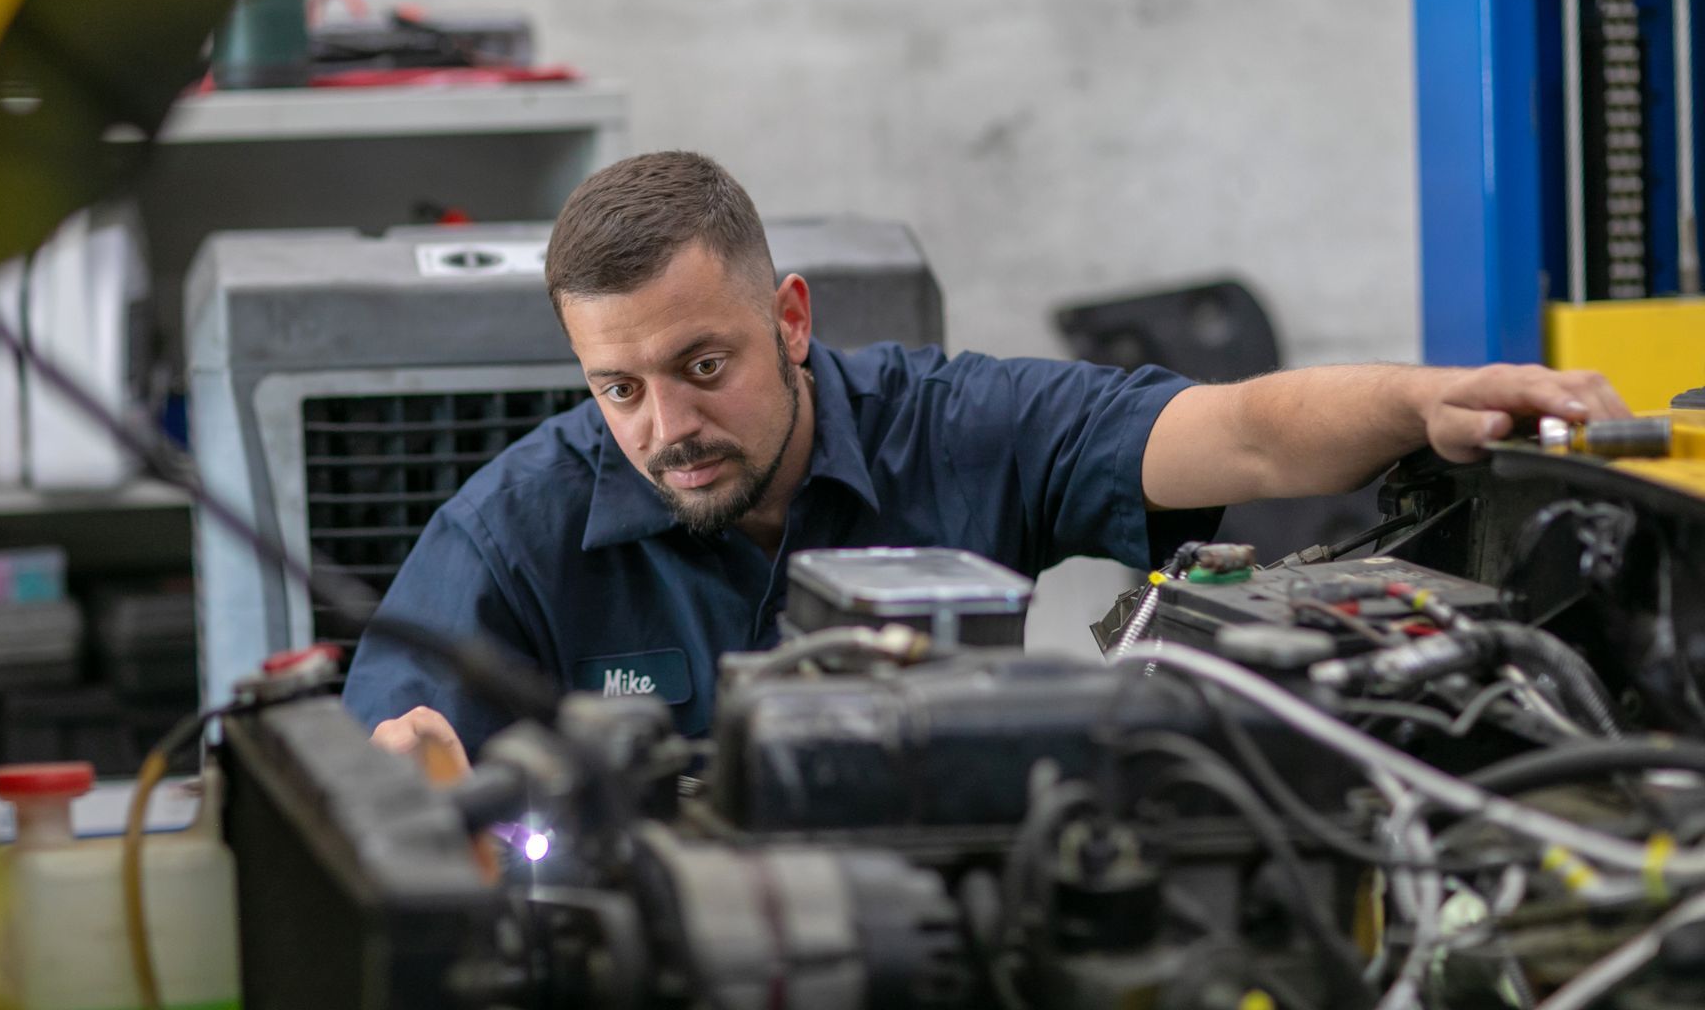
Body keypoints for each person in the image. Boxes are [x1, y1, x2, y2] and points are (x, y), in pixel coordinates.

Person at [342, 150, 1630, 767]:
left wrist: (1428, 398)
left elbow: (1235, 426)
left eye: (701, 367)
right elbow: (373, 785)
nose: (664, 428)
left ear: (790, 319)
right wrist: (431, 807)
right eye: (616, 389)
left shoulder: (959, 428)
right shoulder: (507, 535)